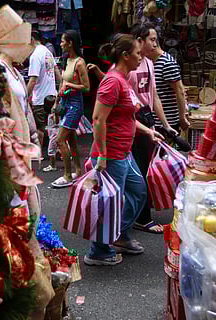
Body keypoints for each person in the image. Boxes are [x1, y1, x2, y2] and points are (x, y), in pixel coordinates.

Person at [85, 33, 164, 266]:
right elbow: (98, 119)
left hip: (124, 152)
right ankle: (98, 250)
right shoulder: (112, 81)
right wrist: (101, 155)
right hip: (110, 155)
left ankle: (119, 234)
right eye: (138, 53)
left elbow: (127, 117)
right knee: (110, 203)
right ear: (125, 55)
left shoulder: (124, 79)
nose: (141, 57)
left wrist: (147, 131)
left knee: (139, 192)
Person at [128, 22, 177, 234]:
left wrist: (165, 125)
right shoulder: (128, 65)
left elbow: (153, 95)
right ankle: (141, 217)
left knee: (146, 168)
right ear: (139, 40)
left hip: (147, 121)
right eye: (152, 39)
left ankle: (141, 212)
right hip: (132, 123)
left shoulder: (149, 63)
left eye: (156, 39)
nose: (155, 43)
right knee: (137, 170)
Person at [51, 30, 90, 188]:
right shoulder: (65, 60)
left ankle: (67, 175)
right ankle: (78, 171)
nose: (60, 44)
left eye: (62, 41)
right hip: (65, 102)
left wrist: (70, 85)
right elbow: (62, 83)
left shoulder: (80, 63)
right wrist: (56, 102)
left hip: (75, 103)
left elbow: (86, 87)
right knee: (71, 140)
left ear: (70, 43)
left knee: (60, 140)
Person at [27, 31, 61, 162]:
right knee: (53, 127)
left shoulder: (35, 55)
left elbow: (33, 80)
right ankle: (57, 150)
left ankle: (38, 153)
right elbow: (56, 71)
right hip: (52, 95)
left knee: (40, 128)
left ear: (31, 39)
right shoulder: (47, 51)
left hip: (40, 98)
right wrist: (59, 88)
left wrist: (25, 95)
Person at [151, 40, 190, 132]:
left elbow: (179, 90)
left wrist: (182, 117)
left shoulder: (167, 63)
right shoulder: (148, 61)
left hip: (168, 121)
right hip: (153, 121)